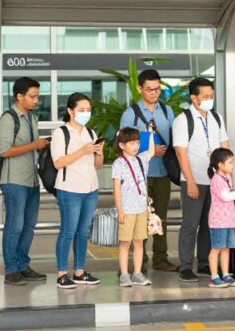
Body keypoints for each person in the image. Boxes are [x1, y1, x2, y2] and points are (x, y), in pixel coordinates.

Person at [119, 69, 178, 272]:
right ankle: (139, 260)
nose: (154, 93)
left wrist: (166, 150)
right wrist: (150, 149)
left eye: (157, 89)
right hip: (139, 175)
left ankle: (160, 258)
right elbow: (123, 142)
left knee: (160, 216)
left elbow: (174, 137)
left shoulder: (167, 111)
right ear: (139, 88)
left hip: (163, 172)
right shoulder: (130, 114)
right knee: (139, 217)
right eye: (150, 89)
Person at [174, 77, 230, 283]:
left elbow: (224, 148)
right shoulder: (183, 120)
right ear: (194, 98)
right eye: (205, 96)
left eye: (211, 95)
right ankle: (186, 266)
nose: (209, 99)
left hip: (215, 181)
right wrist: (190, 181)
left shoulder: (216, 118)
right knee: (191, 223)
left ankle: (206, 263)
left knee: (210, 223)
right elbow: (181, 153)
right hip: (194, 179)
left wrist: (226, 178)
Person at [0, 77, 50, 286]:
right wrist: (33, 145)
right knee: (15, 226)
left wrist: (41, 145)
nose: (37, 100)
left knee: (29, 226)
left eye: (38, 96)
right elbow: (4, 150)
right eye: (32, 96)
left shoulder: (32, 118)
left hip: (32, 181)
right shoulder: (8, 119)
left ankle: (22, 265)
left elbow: (33, 147)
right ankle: (11, 270)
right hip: (14, 181)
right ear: (19, 96)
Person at [51, 92, 104, 289]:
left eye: (88, 110)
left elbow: (97, 164)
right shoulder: (61, 133)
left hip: (90, 188)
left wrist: (98, 153)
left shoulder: (90, 133)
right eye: (82, 110)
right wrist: (83, 150)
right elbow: (58, 163)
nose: (86, 113)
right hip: (69, 189)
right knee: (68, 230)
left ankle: (80, 271)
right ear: (70, 111)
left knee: (83, 232)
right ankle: (61, 273)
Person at [111, 127, 153, 287]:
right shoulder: (118, 163)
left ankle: (137, 273)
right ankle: (124, 274)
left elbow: (151, 150)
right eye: (131, 143)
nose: (136, 146)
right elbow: (116, 188)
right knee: (124, 243)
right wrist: (119, 209)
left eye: (137, 142)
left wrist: (150, 133)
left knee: (139, 242)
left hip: (141, 208)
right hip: (127, 209)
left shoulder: (141, 159)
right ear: (122, 145)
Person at [206, 147, 235, 288]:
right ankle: (214, 277)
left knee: (226, 248)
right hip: (218, 221)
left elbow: (229, 191)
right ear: (220, 164)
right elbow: (226, 196)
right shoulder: (216, 179)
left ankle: (225, 274)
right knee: (216, 248)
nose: (232, 165)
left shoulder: (227, 178)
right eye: (230, 162)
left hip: (228, 220)